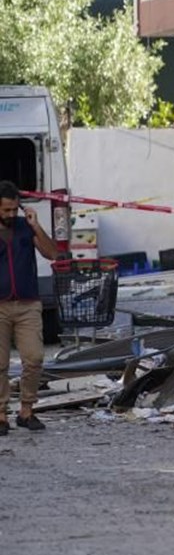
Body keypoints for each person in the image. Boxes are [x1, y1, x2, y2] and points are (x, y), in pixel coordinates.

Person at [0, 180, 56, 435]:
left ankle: (26, 411)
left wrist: (36, 225)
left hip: (28, 304)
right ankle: (1, 414)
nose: (11, 215)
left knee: (34, 358)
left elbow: (52, 253)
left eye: (14, 210)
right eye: (6, 210)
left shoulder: (26, 227)